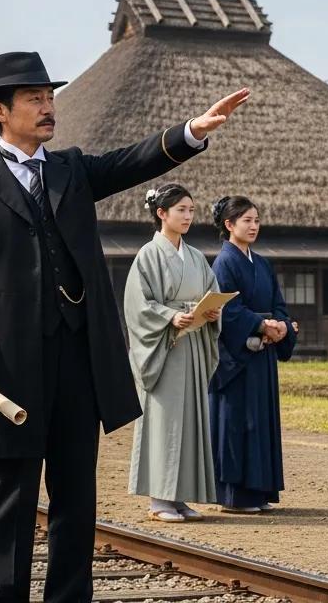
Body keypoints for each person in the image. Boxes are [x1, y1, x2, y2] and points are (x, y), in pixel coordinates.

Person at [0, 49, 249, 603]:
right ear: (0, 111)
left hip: (79, 359)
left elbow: (133, 161)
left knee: (77, 496)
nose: (47, 106)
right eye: (34, 99)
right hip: (10, 368)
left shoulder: (71, 169)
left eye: (49, 96)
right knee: (10, 496)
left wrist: (192, 132)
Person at [125, 183, 220, 522]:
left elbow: (212, 290)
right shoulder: (148, 255)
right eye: (181, 210)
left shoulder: (194, 256)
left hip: (192, 343)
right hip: (165, 346)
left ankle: (180, 497)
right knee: (165, 421)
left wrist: (211, 312)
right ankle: (159, 499)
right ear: (161, 214)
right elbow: (138, 305)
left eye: (191, 211)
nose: (188, 217)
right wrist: (170, 316)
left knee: (190, 420)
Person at [208, 195, 296, 514]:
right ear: (229, 225)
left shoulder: (262, 263)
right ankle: (235, 496)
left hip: (262, 357)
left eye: (257, 220)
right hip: (238, 361)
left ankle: (259, 492)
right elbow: (227, 311)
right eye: (247, 220)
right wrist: (262, 324)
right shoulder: (224, 263)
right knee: (238, 423)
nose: (254, 226)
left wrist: (282, 325)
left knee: (261, 423)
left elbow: (278, 304)